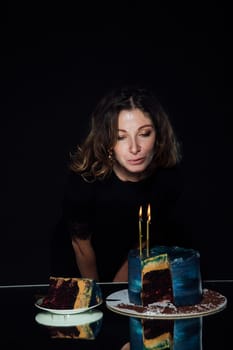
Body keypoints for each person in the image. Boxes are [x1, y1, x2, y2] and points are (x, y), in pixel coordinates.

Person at [49, 85, 189, 282]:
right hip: (78, 265)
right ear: (107, 141)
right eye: (120, 137)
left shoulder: (167, 180)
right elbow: (81, 246)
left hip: (133, 264)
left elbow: (143, 243)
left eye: (144, 133)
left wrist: (116, 291)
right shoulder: (84, 180)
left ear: (158, 135)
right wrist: (99, 294)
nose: (134, 148)